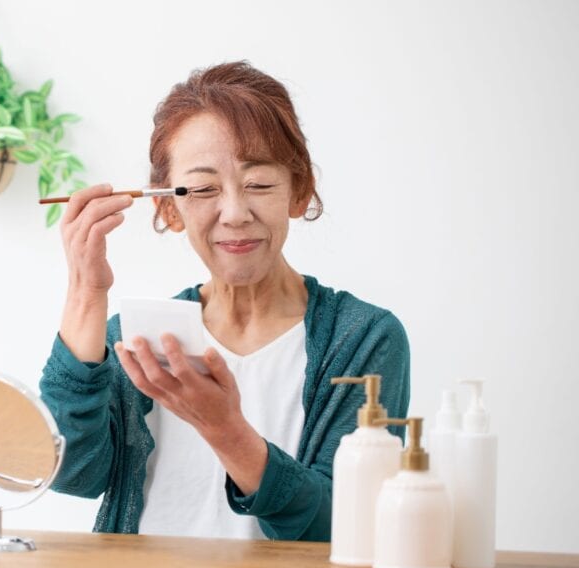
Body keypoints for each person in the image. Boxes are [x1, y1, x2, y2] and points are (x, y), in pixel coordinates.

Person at [38, 61, 410, 541]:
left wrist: (225, 429)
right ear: (169, 207)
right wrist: (86, 295)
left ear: (299, 192)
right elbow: (73, 473)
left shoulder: (363, 339)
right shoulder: (136, 339)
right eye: (204, 189)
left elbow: (346, 524)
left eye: (258, 185)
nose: (234, 213)